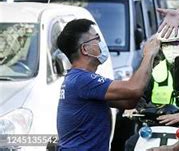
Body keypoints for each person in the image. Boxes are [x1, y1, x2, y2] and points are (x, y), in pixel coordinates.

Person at [56, 19, 160, 151]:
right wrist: (148, 54)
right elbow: (134, 89)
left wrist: (150, 61)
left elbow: (128, 102)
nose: (102, 43)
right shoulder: (82, 80)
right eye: (97, 38)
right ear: (85, 49)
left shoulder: (79, 79)